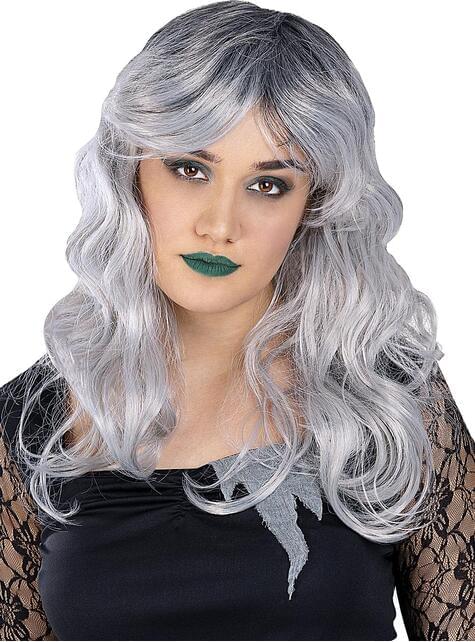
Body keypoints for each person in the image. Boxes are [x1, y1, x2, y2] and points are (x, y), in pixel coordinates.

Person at [1, 1, 473, 640]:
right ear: (130, 172)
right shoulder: (29, 427)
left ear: (316, 205)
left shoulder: (388, 400)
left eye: (268, 185)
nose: (219, 225)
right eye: (189, 169)